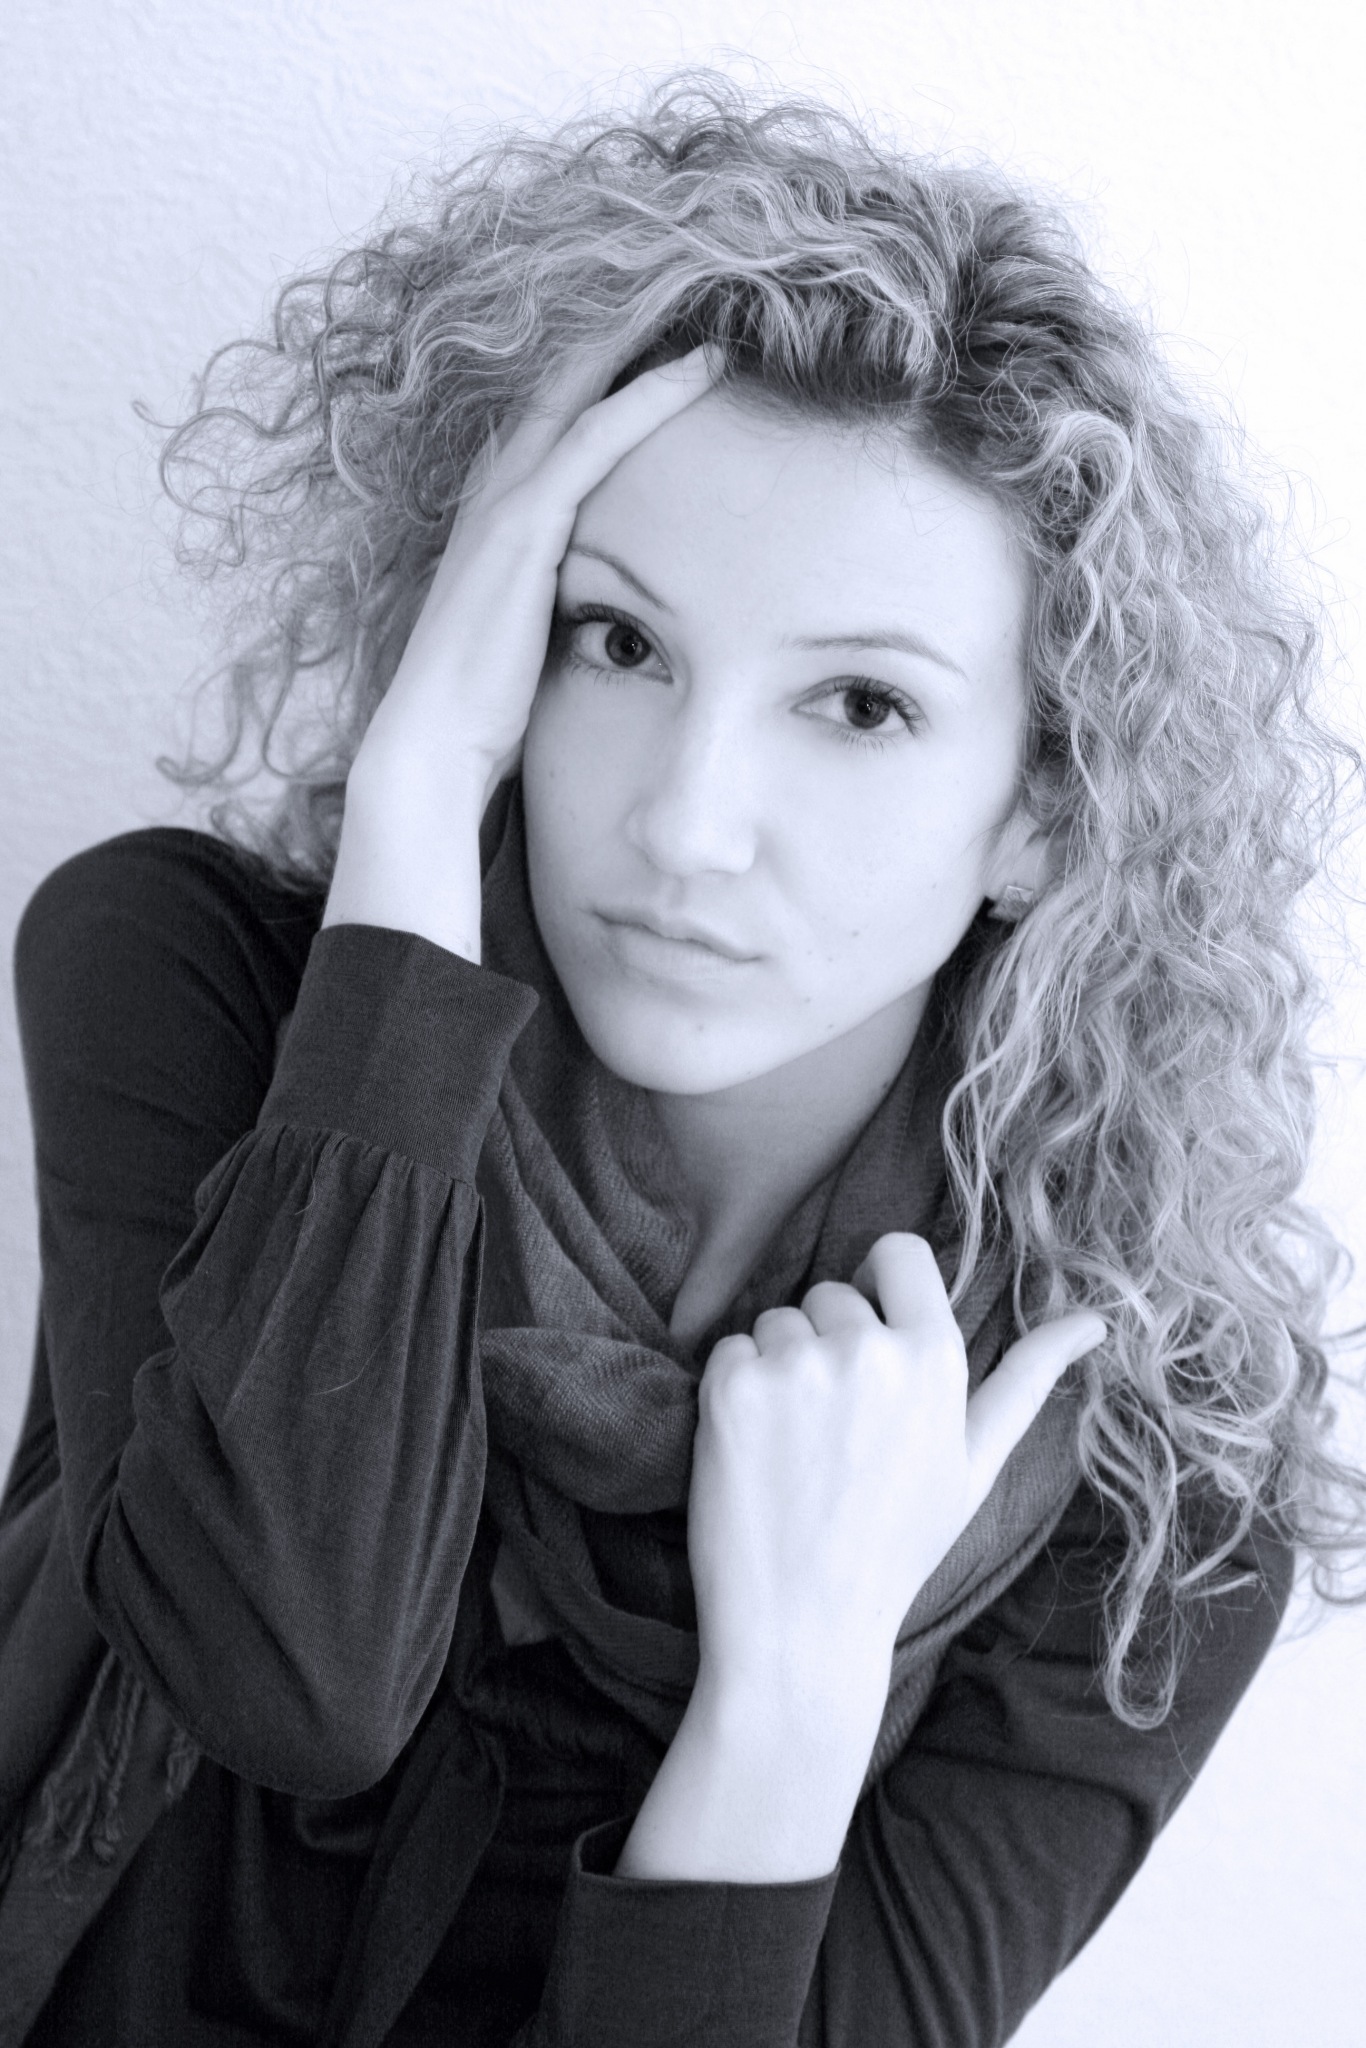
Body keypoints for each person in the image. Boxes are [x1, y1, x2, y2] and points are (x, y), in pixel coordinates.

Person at [0, 67, 1361, 2048]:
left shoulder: (1146, 1467)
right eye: (617, 643)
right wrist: (415, 807)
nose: (685, 823)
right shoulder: (203, 983)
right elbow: (293, 1677)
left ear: (1042, 809)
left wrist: (785, 1702)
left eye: (861, 706)